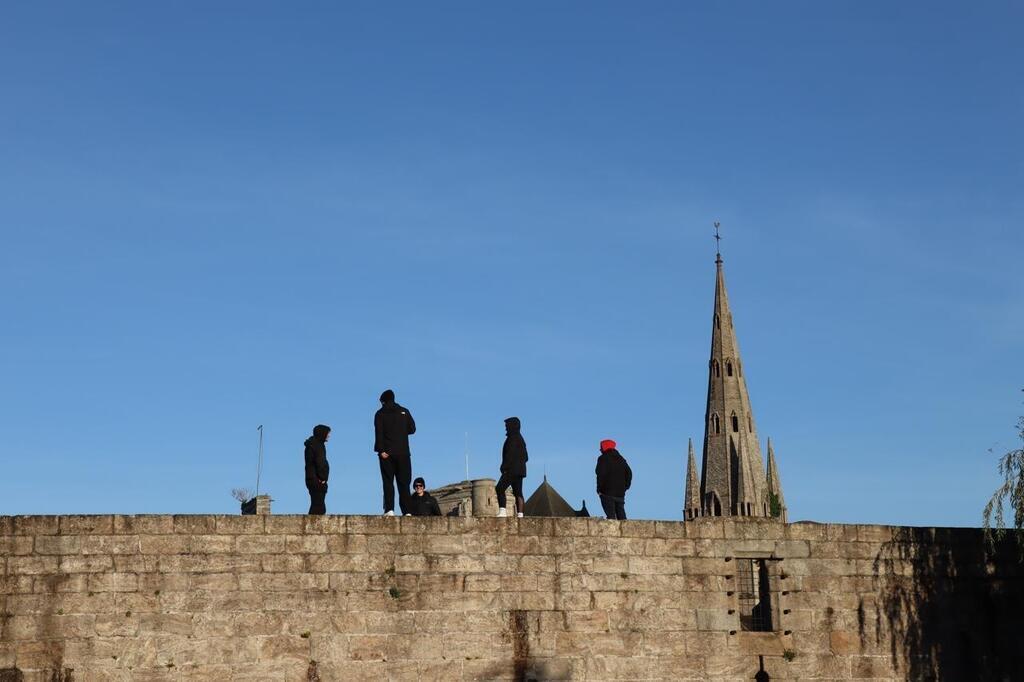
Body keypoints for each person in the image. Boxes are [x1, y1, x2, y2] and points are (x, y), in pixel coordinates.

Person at [373, 389, 416, 516]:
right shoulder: (404, 411)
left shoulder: (380, 414)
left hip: (387, 454)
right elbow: (412, 429)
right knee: (404, 483)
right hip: (403, 452)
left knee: (388, 482)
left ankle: (389, 509)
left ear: (383, 401)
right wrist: (401, 431)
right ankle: (407, 511)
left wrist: (381, 450)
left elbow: (378, 433)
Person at [496, 416, 528, 518]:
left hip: (511, 470)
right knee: (518, 492)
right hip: (520, 471)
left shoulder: (512, 438)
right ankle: (520, 514)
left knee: (500, 488)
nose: (506, 428)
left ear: (512, 426)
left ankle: (503, 511)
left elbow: (509, 454)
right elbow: (526, 457)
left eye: (507, 426)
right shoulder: (521, 439)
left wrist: (504, 467)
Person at [596, 439, 631, 520]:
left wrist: (599, 489)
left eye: (601, 447)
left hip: (607, 492)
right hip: (620, 493)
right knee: (621, 516)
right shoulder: (621, 459)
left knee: (611, 516)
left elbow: (600, 474)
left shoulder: (603, 458)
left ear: (605, 447)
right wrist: (625, 487)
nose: (600, 449)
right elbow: (629, 473)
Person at [304, 424, 331, 515]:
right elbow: (320, 463)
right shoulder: (318, 446)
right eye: (327, 433)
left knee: (316, 505)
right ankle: (313, 527)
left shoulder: (312, 445)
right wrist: (322, 478)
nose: (329, 435)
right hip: (317, 481)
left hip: (312, 479)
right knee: (319, 507)